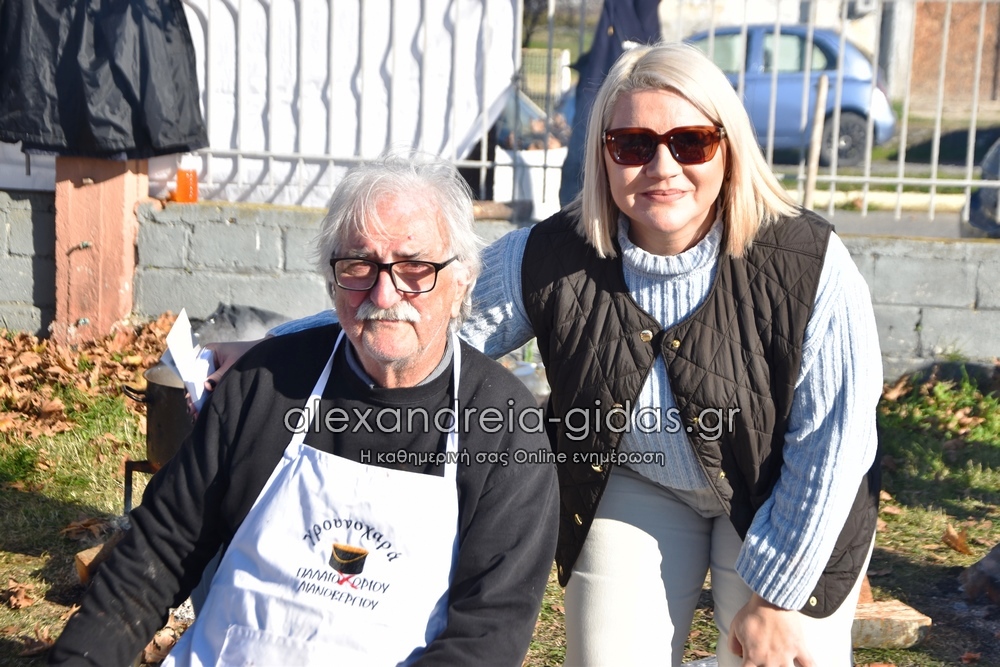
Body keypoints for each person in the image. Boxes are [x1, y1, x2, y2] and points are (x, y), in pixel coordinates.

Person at [200, 42, 883, 666]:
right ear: (603, 155)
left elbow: (836, 439)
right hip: (635, 481)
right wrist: (270, 349)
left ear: (729, 146)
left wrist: (777, 595)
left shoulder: (808, 261)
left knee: (771, 654)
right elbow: (418, 310)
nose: (662, 167)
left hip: (786, 494)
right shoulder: (554, 254)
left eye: (691, 141)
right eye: (632, 144)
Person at [48, 153, 560, 666]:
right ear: (332, 281)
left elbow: (486, 636)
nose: (384, 294)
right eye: (358, 266)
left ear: (462, 281)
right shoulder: (266, 384)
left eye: (414, 268)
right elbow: (155, 554)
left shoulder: (503, 426)